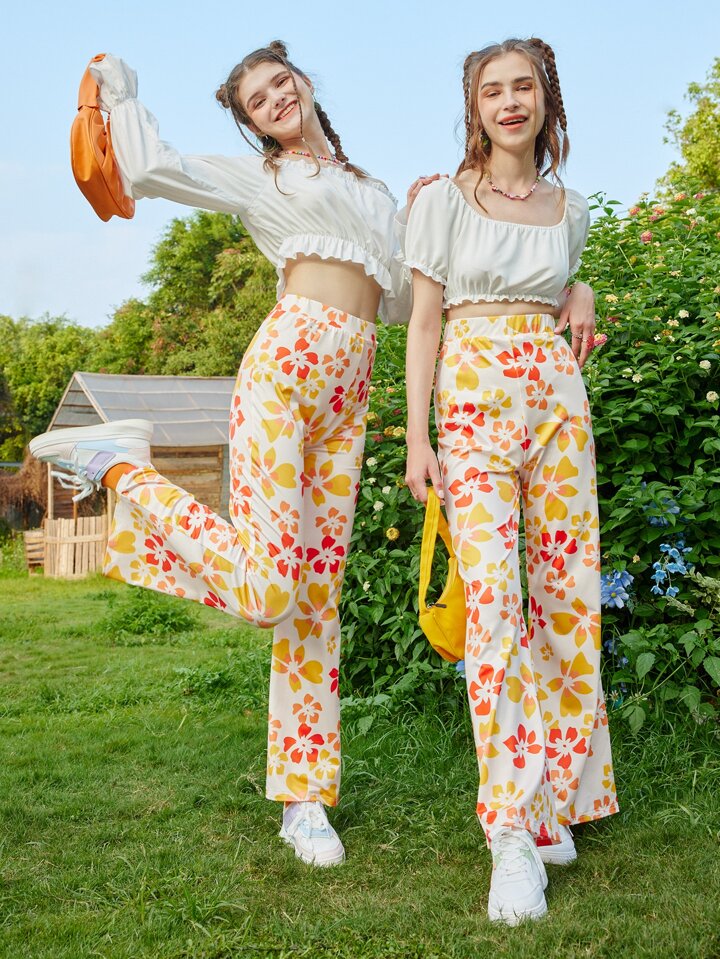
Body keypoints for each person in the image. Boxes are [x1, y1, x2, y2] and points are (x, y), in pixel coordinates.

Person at [30, 41, 438, 869]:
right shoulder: (266, 179)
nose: (275, 98)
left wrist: (424, 218)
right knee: (268, 589)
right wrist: (120, 92)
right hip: (285, 372)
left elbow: (402, 301)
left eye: (281, 82)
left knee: (314, 605)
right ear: (253, 123)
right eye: (257, 99)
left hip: (349, 396)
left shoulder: (372, 190)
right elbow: (155, 169)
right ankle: (120, 467)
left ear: (305, 81)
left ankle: (304, 800)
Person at [403, 37, 618, 925]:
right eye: (491, 90)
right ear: (475, 109)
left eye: (523, 86)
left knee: (567, 598)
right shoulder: (442, 200)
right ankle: (509, 830)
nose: (509, 101)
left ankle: (556, 798)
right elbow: (423, 322)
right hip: (472, 397)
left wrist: (583, 292)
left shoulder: (571, 209)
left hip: (558, 401)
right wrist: (417, 437)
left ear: (545, 99)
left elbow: (563, 288)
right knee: (493, 605)